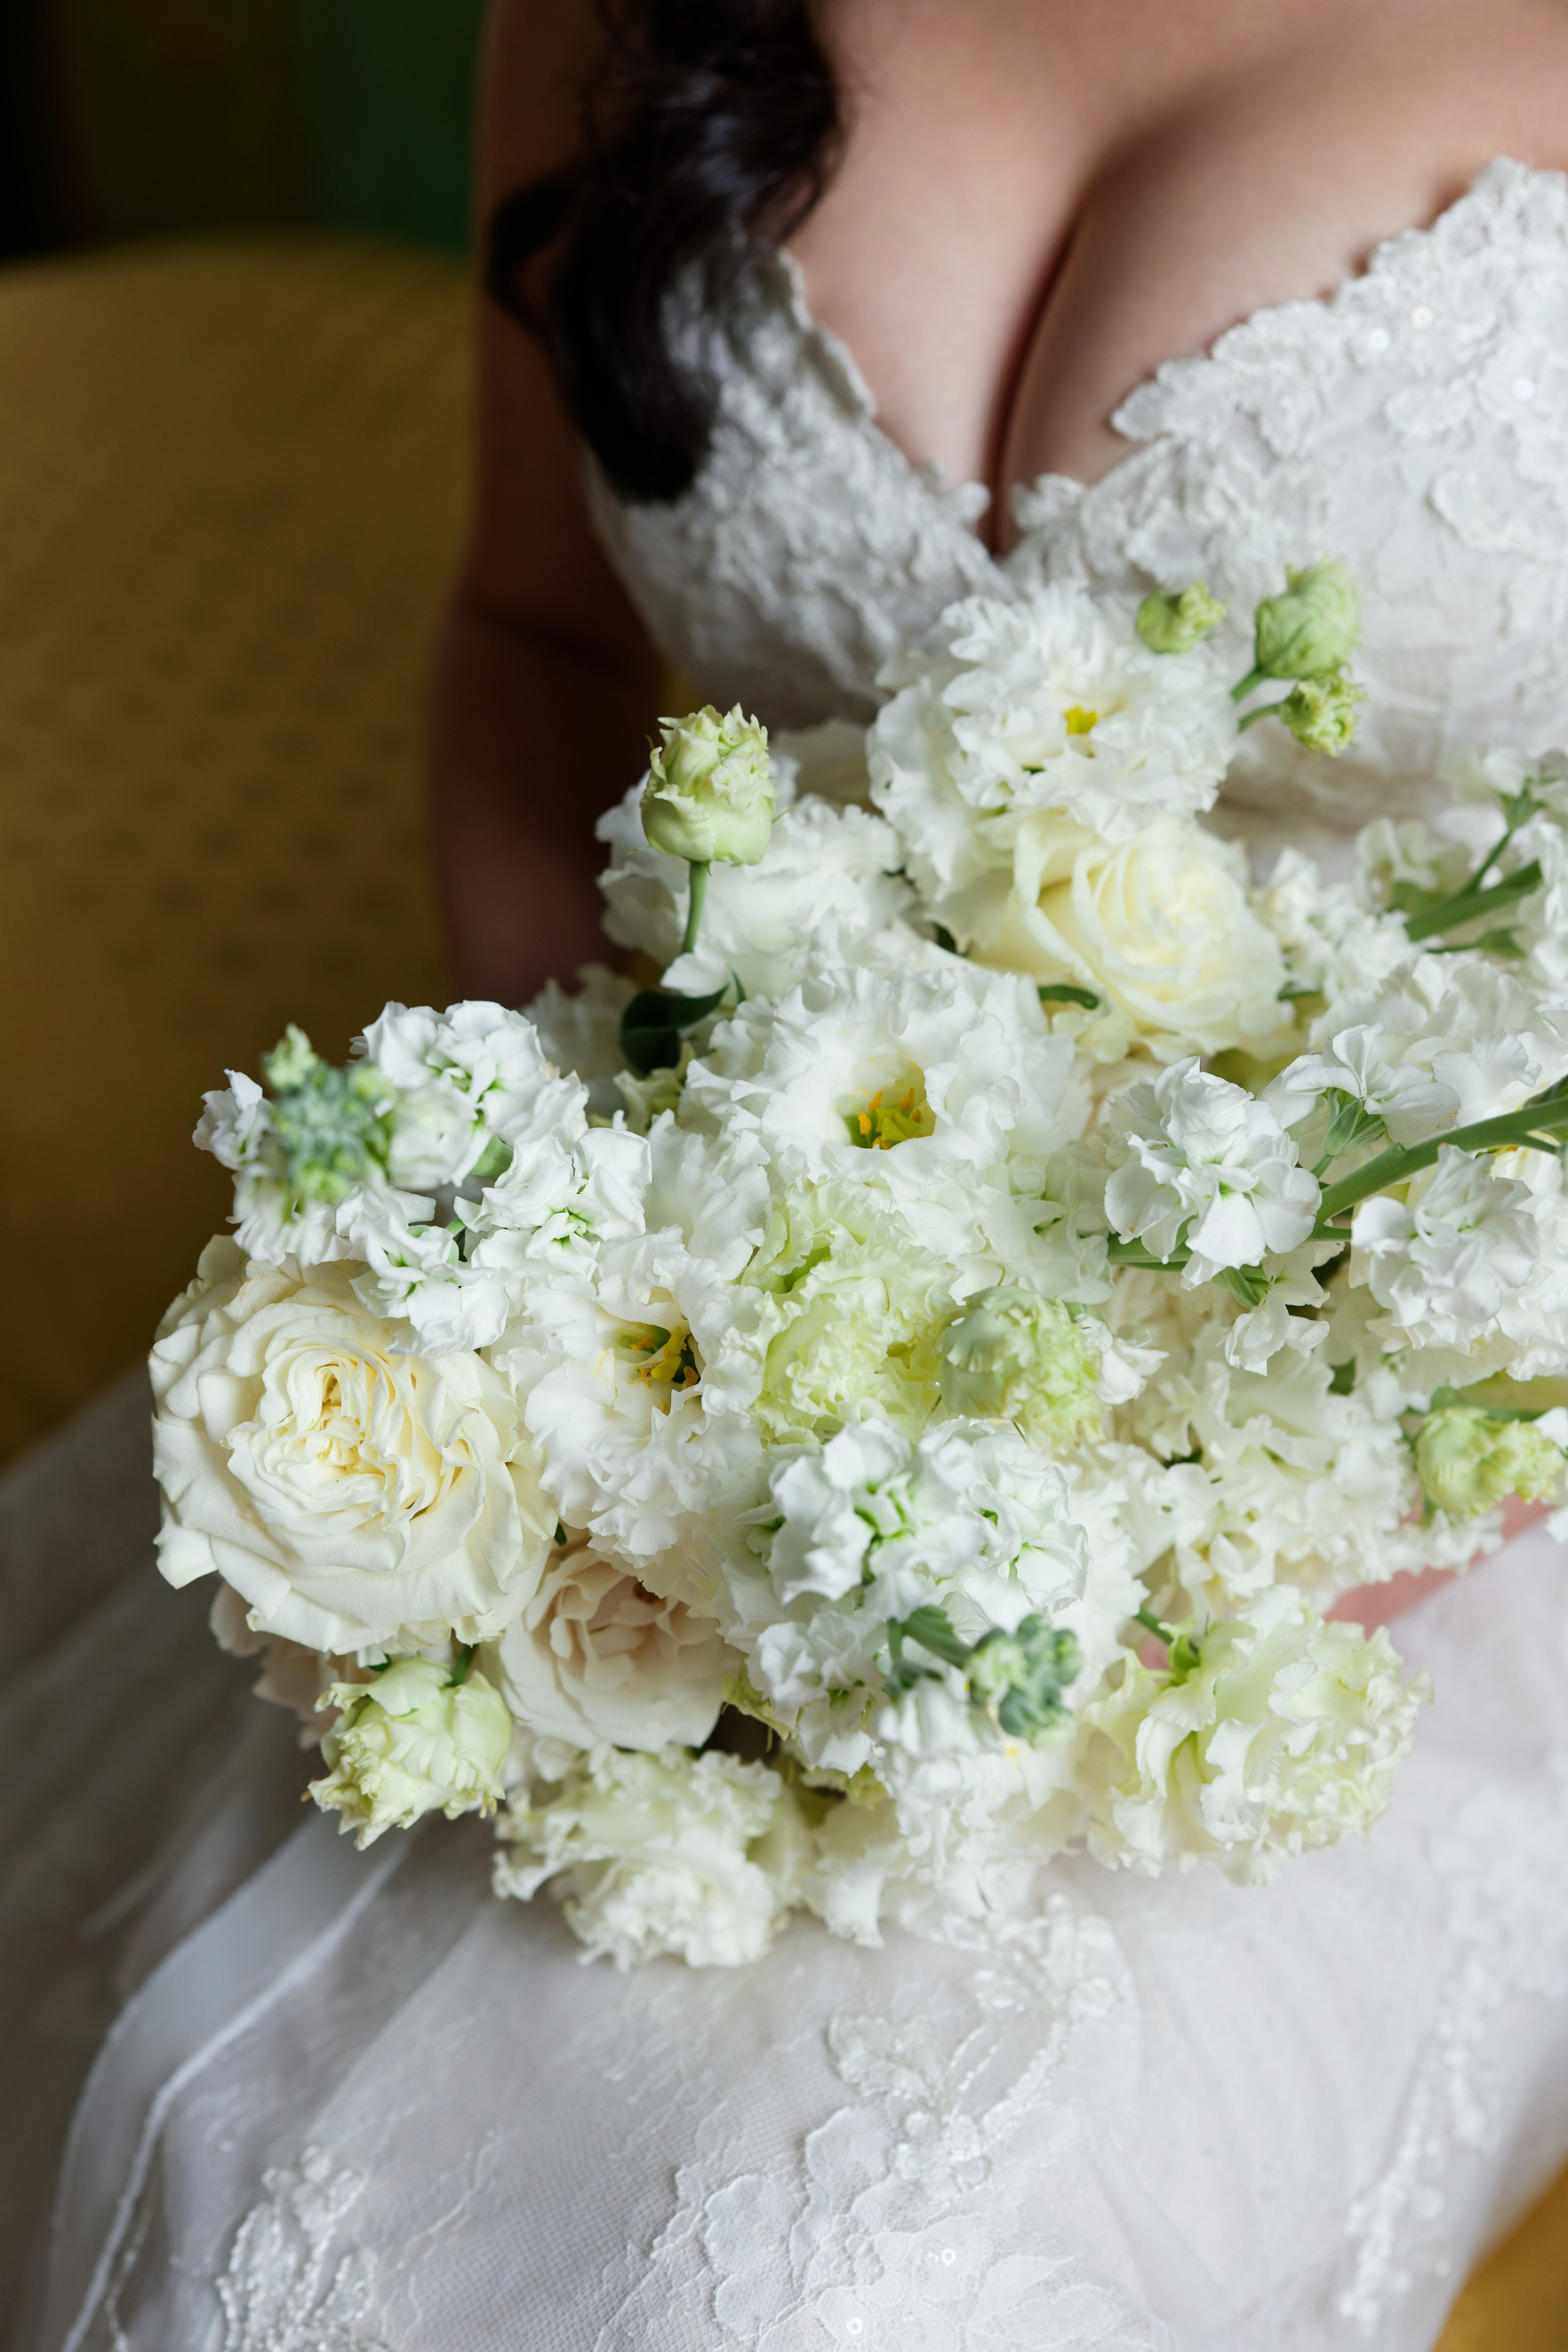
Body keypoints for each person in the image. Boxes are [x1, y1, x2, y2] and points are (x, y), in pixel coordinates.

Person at [13, 4, 1568, 2346]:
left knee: (828, 2268)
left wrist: (1241, 1532)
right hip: (694, 1326)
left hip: (1454, 1441)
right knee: (261, 2167)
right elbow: (535, 638)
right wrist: (580, 1249)